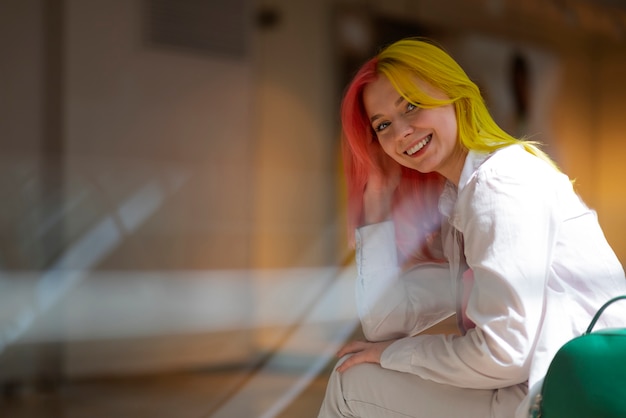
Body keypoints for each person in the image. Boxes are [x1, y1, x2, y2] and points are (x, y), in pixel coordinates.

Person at [317, 37, 626, 418]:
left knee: (352, 384)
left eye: (411, 105)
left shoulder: (499, 185)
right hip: (533, 390)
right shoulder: (462, 199)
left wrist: (393, 355)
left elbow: (504, 352)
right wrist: (378, 196)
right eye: (383, 126)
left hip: (556, 399)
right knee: (356, 376)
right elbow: (385, 323)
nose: (400, 133)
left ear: (452, 92)